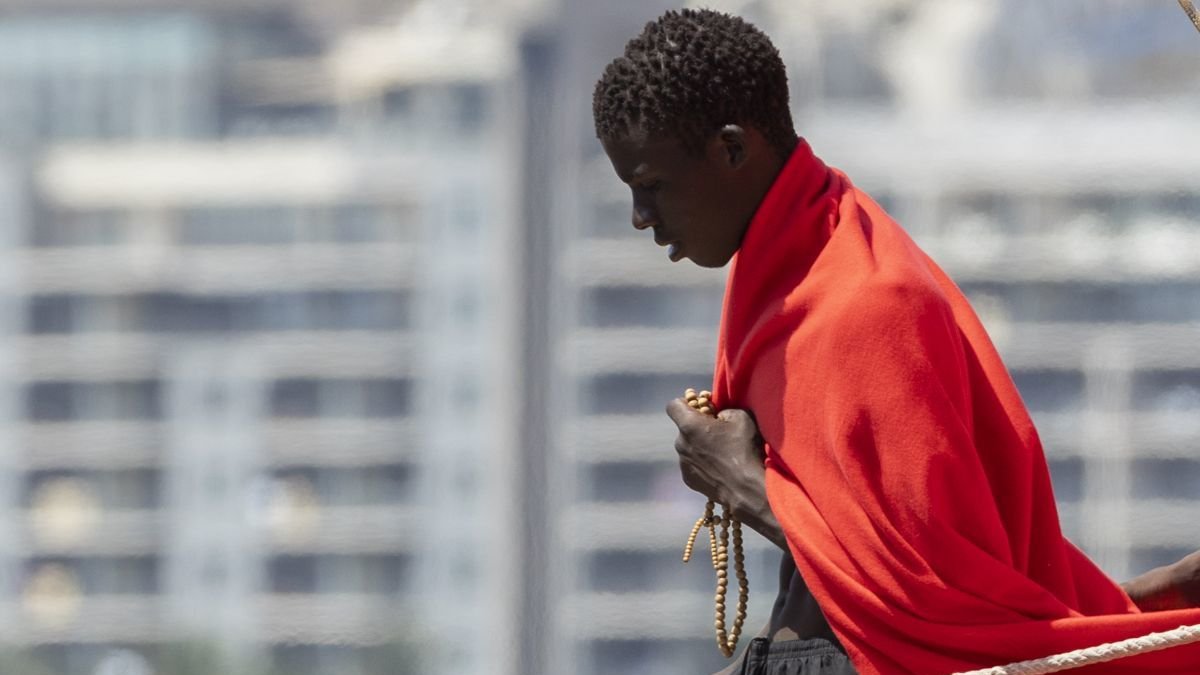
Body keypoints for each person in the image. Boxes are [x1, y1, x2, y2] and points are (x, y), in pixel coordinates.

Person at [592, 9, 1200, 675]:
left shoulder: (865, 300)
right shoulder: (784, 282)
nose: (640, 218)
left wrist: (744, 483)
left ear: (733, 150)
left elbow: (928, 586)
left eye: (651, 186)